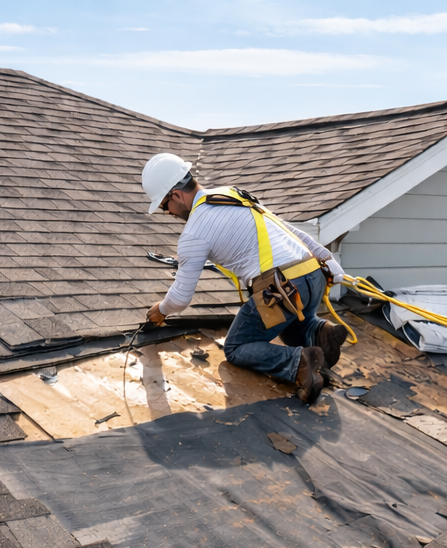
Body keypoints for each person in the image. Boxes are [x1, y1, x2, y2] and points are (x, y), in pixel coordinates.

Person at [140, 153, 349, 405]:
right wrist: (327, 259)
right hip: (312, 276)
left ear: (175, 195)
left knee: (237, 347)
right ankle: (320, 334)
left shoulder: (194, 232)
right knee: (288, 325)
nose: (169, 213)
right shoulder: (232, 194)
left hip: (282, 288)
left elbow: (182, 296)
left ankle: (299, 365)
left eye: (164, 206)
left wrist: (161, 310)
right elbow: (285, 227)